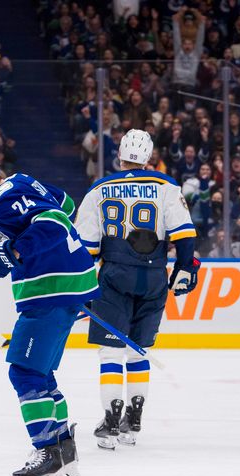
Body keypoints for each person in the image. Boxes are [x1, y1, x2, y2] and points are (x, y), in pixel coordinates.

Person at [0, 152, 100, 476]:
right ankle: (64, 455)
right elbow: (66, 203)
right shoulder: (22, 181)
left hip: (51, 288)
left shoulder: (2, 202)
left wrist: (10, 253)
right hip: (69, 285)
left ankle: (47, 456)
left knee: (24, 371)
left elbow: (49, 224)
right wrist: (13, 248)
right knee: (41, 372)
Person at [76, 129, 200, 450]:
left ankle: (111, 419)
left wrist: (80, 285)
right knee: (138, 350)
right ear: (149, 157)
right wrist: (185, 268)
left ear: (120, 155)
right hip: (155, 276)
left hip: (115, 275)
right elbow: (185, 234)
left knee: (111, 353)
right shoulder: (167, 186)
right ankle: (135, 417)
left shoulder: (99, 189)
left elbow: (86, 247)